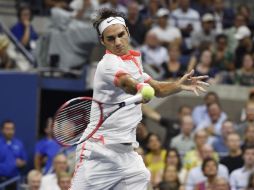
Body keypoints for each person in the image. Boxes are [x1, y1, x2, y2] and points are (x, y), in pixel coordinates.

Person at [70, 8, 209, 190]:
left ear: (127, 31)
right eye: (111, 39)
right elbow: (125, 82)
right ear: (102, 41)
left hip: (126, 153)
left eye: (121, 35)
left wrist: (178, 85)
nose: (118, 42)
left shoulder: (133, 61)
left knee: (141, 176)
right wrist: (139, 88)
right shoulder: (108, 64)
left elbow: (157, 88)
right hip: (98, 152)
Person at [0, 120, 27, 189]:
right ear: (2, 130)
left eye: (12, 129)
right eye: (7, 129)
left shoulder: (19, 144)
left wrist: (21, 163)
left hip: (14, 180)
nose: (10, 132)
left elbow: (24, 161)